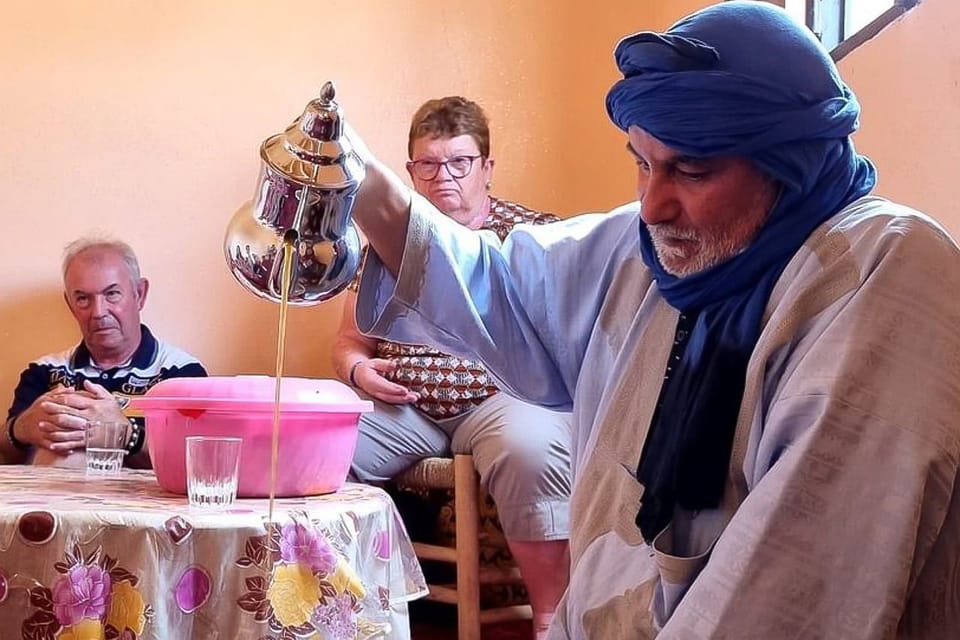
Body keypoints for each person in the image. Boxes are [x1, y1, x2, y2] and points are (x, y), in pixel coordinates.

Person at [341, 2, 960, 638]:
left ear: (789, 166)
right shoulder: (652, 247)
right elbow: (494, 284)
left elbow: (792, 592)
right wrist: (356, 179)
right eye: (642, 161)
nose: (654, 205)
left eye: (691, 169)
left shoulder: (881, 271)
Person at [332, 96, 572, 638]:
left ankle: (552, 620)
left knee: (532, 446)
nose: (444, 177)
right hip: (405, 408)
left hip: (504, 399)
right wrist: (357, 374)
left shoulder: (532, 236)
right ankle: (347, 610)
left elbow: (565, 340)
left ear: (486, 167)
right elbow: (349, 342)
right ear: (411, 171)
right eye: (428, 164)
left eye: (459, 162)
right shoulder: (386, 246)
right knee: (320, 449)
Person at [2, 237, 207, 468]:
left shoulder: (181, 373)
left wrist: (127, 436)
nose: (98, 312)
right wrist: (19, 429)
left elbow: (200, 459)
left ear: (139, 294)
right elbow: (8, 459)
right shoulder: (43, 371)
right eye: (83, 299)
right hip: (49, 497)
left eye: (112, 294)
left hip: (135, 503)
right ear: (70, 304)